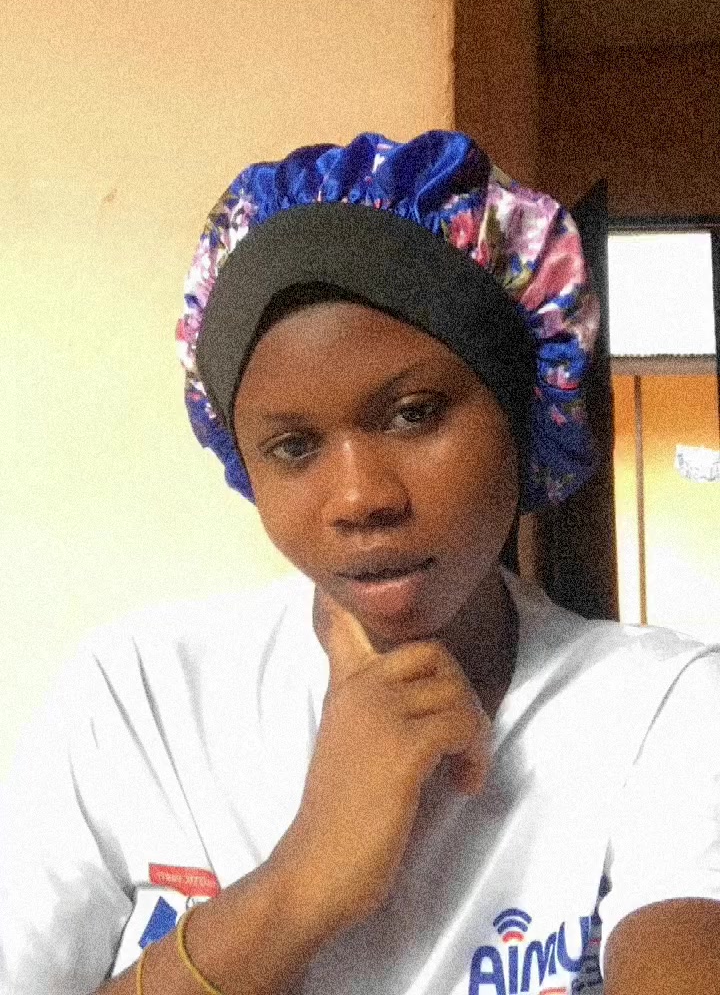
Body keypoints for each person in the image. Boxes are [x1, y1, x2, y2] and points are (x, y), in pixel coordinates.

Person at [1, 130, 719, 995]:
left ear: (523, 411)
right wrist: (298, 887)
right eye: (293, 446)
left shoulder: (660, 712)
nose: (359, 498)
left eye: (415, 413)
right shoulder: (138, 699)